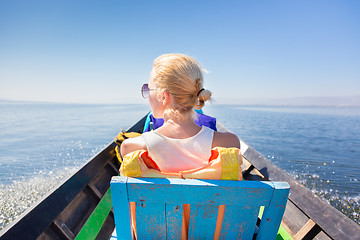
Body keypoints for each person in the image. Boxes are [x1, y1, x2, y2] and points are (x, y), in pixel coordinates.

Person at [121, 53, 240, 173]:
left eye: (148, 88)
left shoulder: (131, 148)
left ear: (163, 96)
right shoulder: (229, 143)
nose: (147, 95)